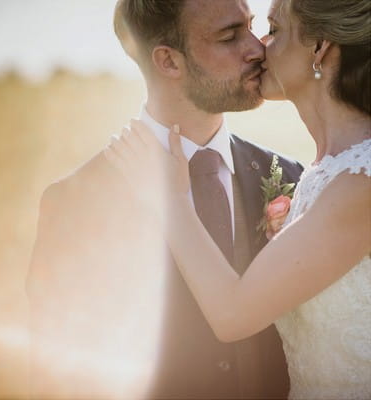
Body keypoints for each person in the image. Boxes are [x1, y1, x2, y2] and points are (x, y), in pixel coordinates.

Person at [26, 0, 303, 398]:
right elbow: (59, 375)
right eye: (229, 36)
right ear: (169, 62)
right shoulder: (77, 202)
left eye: (251, 26)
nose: (256, 49)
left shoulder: (292, 177)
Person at [105, 0, 371, 398]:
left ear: (319, 47)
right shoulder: (321, 173)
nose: (260, 47)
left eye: (274, 30)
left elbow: (233, 315)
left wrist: (171, 201)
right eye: (236, 34)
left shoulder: (359, 182)